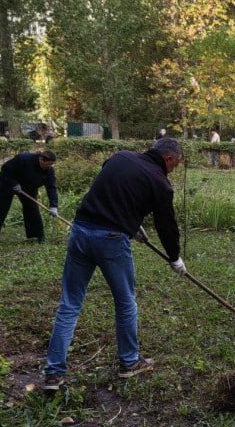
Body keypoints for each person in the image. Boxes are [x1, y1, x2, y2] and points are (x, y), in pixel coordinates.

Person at [43, 138, 186, 390]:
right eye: (176, 165)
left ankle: (53, 373)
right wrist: (174, 257)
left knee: (69, 304)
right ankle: (130, 363)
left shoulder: (121, 157)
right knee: (125, 303)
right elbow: (167, 225)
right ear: (169, 158)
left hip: (80, 232)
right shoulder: (160, 182)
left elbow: (113, 189)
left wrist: (132, 224)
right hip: (110, 241)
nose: (173, 170)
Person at [0, 150, 59, 245]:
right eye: (48, 164)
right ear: (41, 159)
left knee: (32, 208)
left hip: (28, 186)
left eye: (51, 165)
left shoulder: (49, 171)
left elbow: (51, 188)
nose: (49, 167)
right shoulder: (24, 159)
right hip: (7, 182)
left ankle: (36, 235)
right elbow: (5, 169)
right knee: (1, 207)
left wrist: (54, 206)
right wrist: (14, 183)